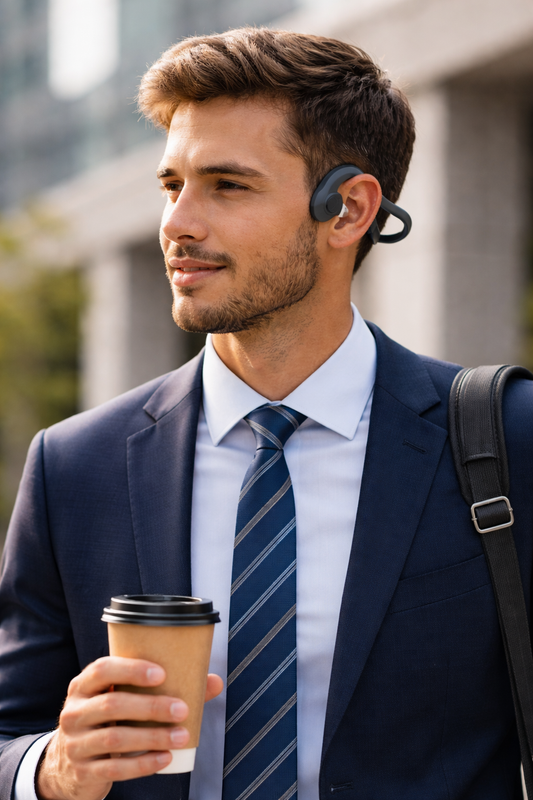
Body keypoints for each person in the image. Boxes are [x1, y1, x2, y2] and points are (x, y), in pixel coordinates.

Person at [0, 26, 531, 800]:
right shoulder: (74, 466)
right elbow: (9, 731)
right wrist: (51, 767)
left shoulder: (505, 439)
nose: (178, 223)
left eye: (227, 185)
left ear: (347, 210)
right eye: (170, 184)